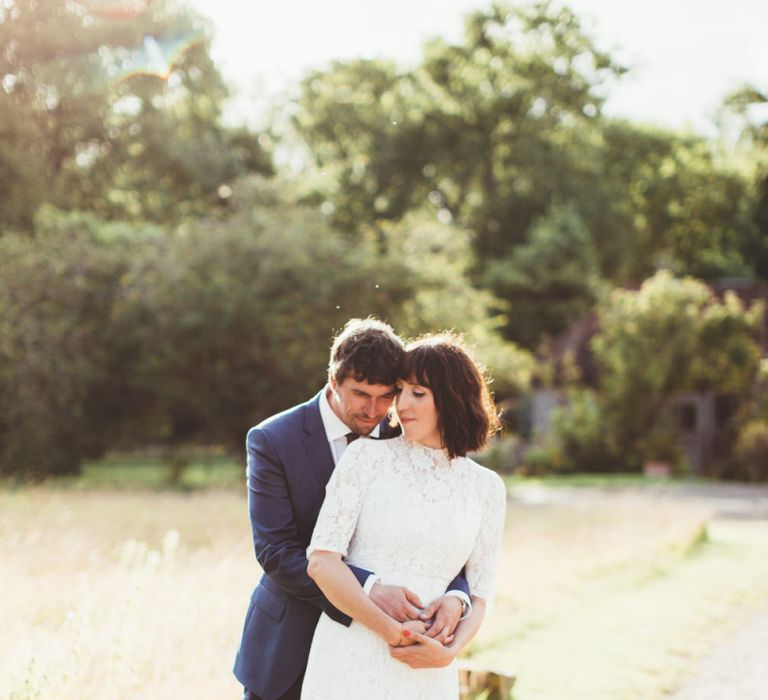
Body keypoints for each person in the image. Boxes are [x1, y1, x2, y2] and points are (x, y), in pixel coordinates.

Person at [233, 319, 471, 700]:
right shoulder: (273, 439)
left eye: (386, 395)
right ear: (333, 378)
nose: (375, 410)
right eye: (361, 394)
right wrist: (369, 588)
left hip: (378, 653)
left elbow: (442, 535)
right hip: (290, 642)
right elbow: (275, 551)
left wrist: (457, 598)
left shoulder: (406, 435)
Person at [303, 332, 507, 698]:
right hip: (352, 652)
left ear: (451, 398)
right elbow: (322, 562)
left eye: (418, 393)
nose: (401, 405)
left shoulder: (487, 488)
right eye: (400, 391)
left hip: (427, 671)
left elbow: (479, 596)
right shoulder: (365, 459)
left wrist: (447, 653)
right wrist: (392, 632)